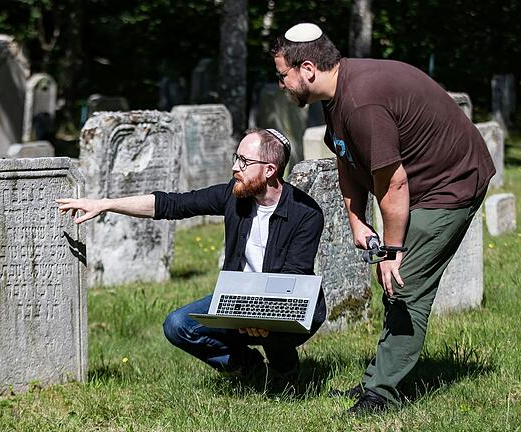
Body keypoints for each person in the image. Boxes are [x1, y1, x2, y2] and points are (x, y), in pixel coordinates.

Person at [270, 23, 495, 414]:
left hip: (450, 184)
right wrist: (356, 219)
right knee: (396, 285)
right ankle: (378, 380)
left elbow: (394, 185)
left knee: (405, 286)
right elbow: (344, 153)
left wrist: (393, 250)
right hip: (418, 188)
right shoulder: (337, 95)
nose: (281, 85)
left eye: (282, 75)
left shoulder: (361, 101)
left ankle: (380, 395)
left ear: (307, 69)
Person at [57, 128, 326, 389]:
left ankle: (286, 376)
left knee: (277, 349)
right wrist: (105, 204)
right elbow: (172, 204)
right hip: (240, 297)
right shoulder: (233, 196)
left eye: (244, 162)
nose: (235, 168)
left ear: (269, 170)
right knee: (178, 325)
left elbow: (293, 279)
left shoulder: (306, 212)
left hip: (291, 303)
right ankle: (249, 366)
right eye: (236, 158)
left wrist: (258, 317)